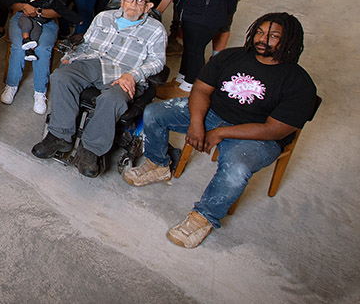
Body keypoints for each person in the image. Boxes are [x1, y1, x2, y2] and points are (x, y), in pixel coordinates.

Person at [124, 13, 317, 249]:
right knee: (155, 112)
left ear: (289, 42)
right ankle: (157, 165)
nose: (263, 39)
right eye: (260, 32)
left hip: (257, 135)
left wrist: (221, 133)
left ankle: (204, 216)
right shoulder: (232, 56)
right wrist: (197, 123)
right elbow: (202, 90)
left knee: (237, 169)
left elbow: (273, 130)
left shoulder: (299, 84)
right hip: (213, 113)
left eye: (273, 36)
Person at [31, 0, 166, 177]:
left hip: (125, 72)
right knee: (61, 75)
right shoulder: (104, 17)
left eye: (140, 1)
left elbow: (157, 62)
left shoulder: (155, 30)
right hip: (95, 62)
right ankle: (59, 135)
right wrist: (71, 56)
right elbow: (85, 43)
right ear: (122, 0)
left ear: (148, 6)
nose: (133, 4)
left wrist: (133, 75)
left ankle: (91, 149)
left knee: (112, 99)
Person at [2, 0, 76, 114]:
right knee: (18, 45)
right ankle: (11, 85)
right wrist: (23, 7)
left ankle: (40, 92)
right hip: (22, 18)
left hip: (47, 21)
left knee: (42, 48)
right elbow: (10, 2)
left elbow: (59, 12)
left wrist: (39, 11)